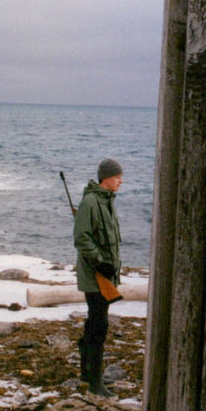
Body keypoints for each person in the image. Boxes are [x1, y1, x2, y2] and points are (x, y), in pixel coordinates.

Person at [73, 158, 123, 397]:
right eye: (116, 177)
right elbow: (81, 238)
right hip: (94, 274)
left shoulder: (108, 202)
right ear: (105, 178)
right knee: (99, 325)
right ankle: (94, 382)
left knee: (96, 323)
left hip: (104, 274)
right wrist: (100, 263)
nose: (120, 181)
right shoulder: (91, 202)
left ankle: (88, 374)